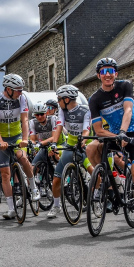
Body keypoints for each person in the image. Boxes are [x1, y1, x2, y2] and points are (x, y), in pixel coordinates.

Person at [85, 58, 134, 234]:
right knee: (91, 148)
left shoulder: (125, 86)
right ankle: (108, 180)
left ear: (116, 74)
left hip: (133, 133)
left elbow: (128, 110)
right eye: (104, 71)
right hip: (114, 135)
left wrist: (123, 132)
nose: (107, 75)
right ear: (98, 75)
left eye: (111, 71)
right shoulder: (95, 99)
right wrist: (117, 135)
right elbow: (99, 130)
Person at [0, 74, 38, 219]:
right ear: (8, 89)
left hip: (17, 136)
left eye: (21, 90)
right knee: (5, 173)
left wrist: (25, 139)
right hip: (3, 138)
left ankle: (33, 188)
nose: (20, 92)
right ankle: (11, 208)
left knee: (22, 157)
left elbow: (25, 119)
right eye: (18, 90)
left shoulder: (22, 99)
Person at [46, 85, 91, 219]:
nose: (58, 101)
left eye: (59, 99)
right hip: (70, 144)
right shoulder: (62, 110)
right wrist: (54, 144)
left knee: (93, 172)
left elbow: (86, 130)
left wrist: (82, 141)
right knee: (56, 179)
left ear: (66, 99)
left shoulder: (85, 110)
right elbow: (59, 127)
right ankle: (56, 206)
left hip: (85, 144)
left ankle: (96, 197)